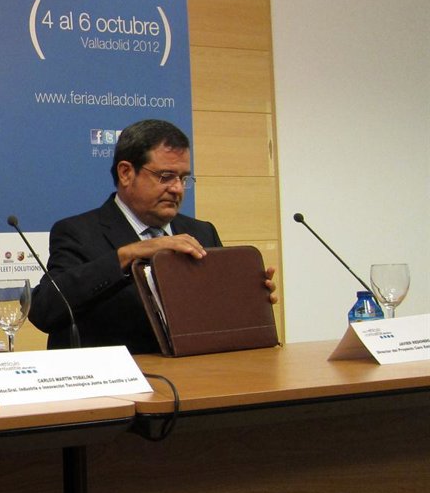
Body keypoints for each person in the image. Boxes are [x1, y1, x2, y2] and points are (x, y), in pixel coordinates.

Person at [29, 118, 275, 353]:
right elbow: (44, 311)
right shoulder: (78, 232)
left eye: (183, 178)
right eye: (165, 177)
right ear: (126, 173)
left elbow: (219, 315)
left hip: (200, 374)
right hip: (122, 376)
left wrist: (248, 300)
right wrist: (127, 255)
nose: (177, 188)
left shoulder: (202, 232)